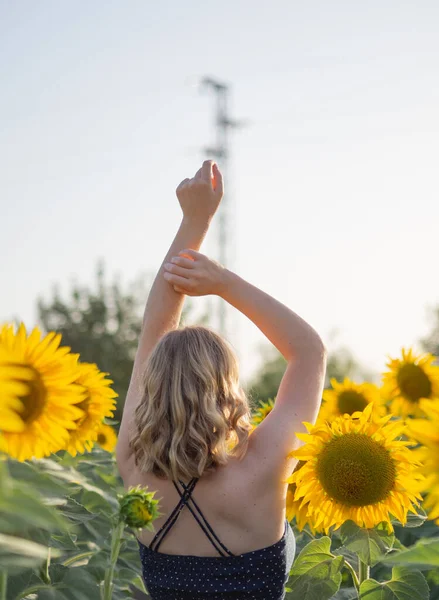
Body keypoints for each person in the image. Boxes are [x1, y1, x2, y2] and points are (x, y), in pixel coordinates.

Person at [117, 161, 327, 599]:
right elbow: (309, 352)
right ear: (225, 388)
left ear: (152, 386)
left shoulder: (134, 464)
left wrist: (193, 221)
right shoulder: (263, 466)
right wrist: (222, 282)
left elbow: (156, 326)